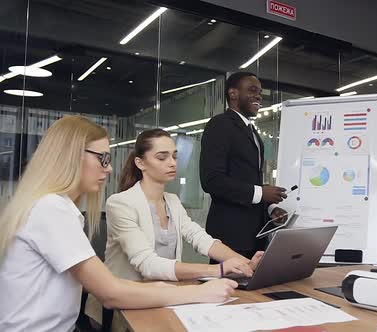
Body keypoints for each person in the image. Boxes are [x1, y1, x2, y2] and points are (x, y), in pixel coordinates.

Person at [0, 116, 237, 332]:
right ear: (71, 155)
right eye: (102, 158)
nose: (110, 167)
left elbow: (96, 284)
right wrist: (200, 290)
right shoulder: (51, 208)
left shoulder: (50, 206)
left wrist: (163, 289)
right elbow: (110, 293)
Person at [85, 128, 263, 328]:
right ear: (140, 163)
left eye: (174, 156)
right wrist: (218, 270)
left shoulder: (173, 201)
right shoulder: (120, 203)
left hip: (163, 297)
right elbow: (148, 264)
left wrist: (245, 264)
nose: (172, 163)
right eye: (162, 157)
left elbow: (201, 239)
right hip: (124, 306)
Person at [200, 71, 288, 260]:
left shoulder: (252, 131)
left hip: (253, 237)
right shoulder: (220, 125)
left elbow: (247, 180)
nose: (258, 96)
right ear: (233, 94)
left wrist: (270, 209)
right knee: (228, 289)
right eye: (252, 90)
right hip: (230, 237)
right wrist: (260, 193)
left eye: (260, 92)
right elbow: (212, 180)